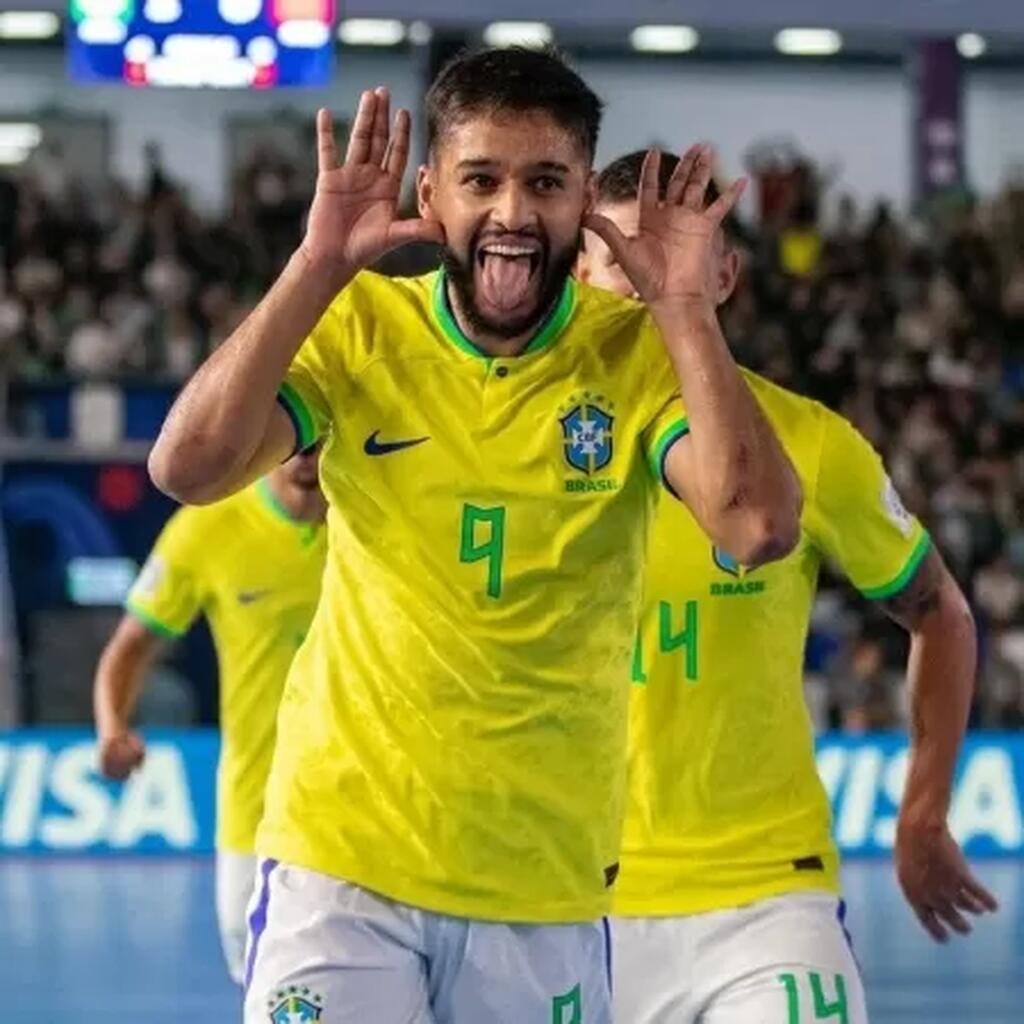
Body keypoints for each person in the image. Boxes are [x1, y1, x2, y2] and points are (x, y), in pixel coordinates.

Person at [147, 47, 802, 1024]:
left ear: (584, 198)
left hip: (541, 888)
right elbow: (186, 468)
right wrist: (316, 264)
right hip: (344, 863)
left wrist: (681, 308)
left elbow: (755, 526)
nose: (509, 212)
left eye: (545, 182)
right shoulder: (359, 322)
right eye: (480, 179)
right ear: (429, 193)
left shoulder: (633, 355)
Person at [577, 149, 998, 1024]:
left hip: (770, 896)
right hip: (570, 902)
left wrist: (922, 813)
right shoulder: (515, 441)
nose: (652, 291)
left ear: (722, 276)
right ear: (579, 271)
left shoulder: (809, 445)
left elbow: (941, 615)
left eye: (677, 266)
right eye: (623, 265)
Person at [93, 446, 326, 984]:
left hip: (369, 807)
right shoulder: (208, 528)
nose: (307, 454)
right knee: (263, 990)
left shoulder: (374, 513)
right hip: (257, 810)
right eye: (296, 439)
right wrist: (111, 728)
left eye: (319, 436)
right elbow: (130, 646)